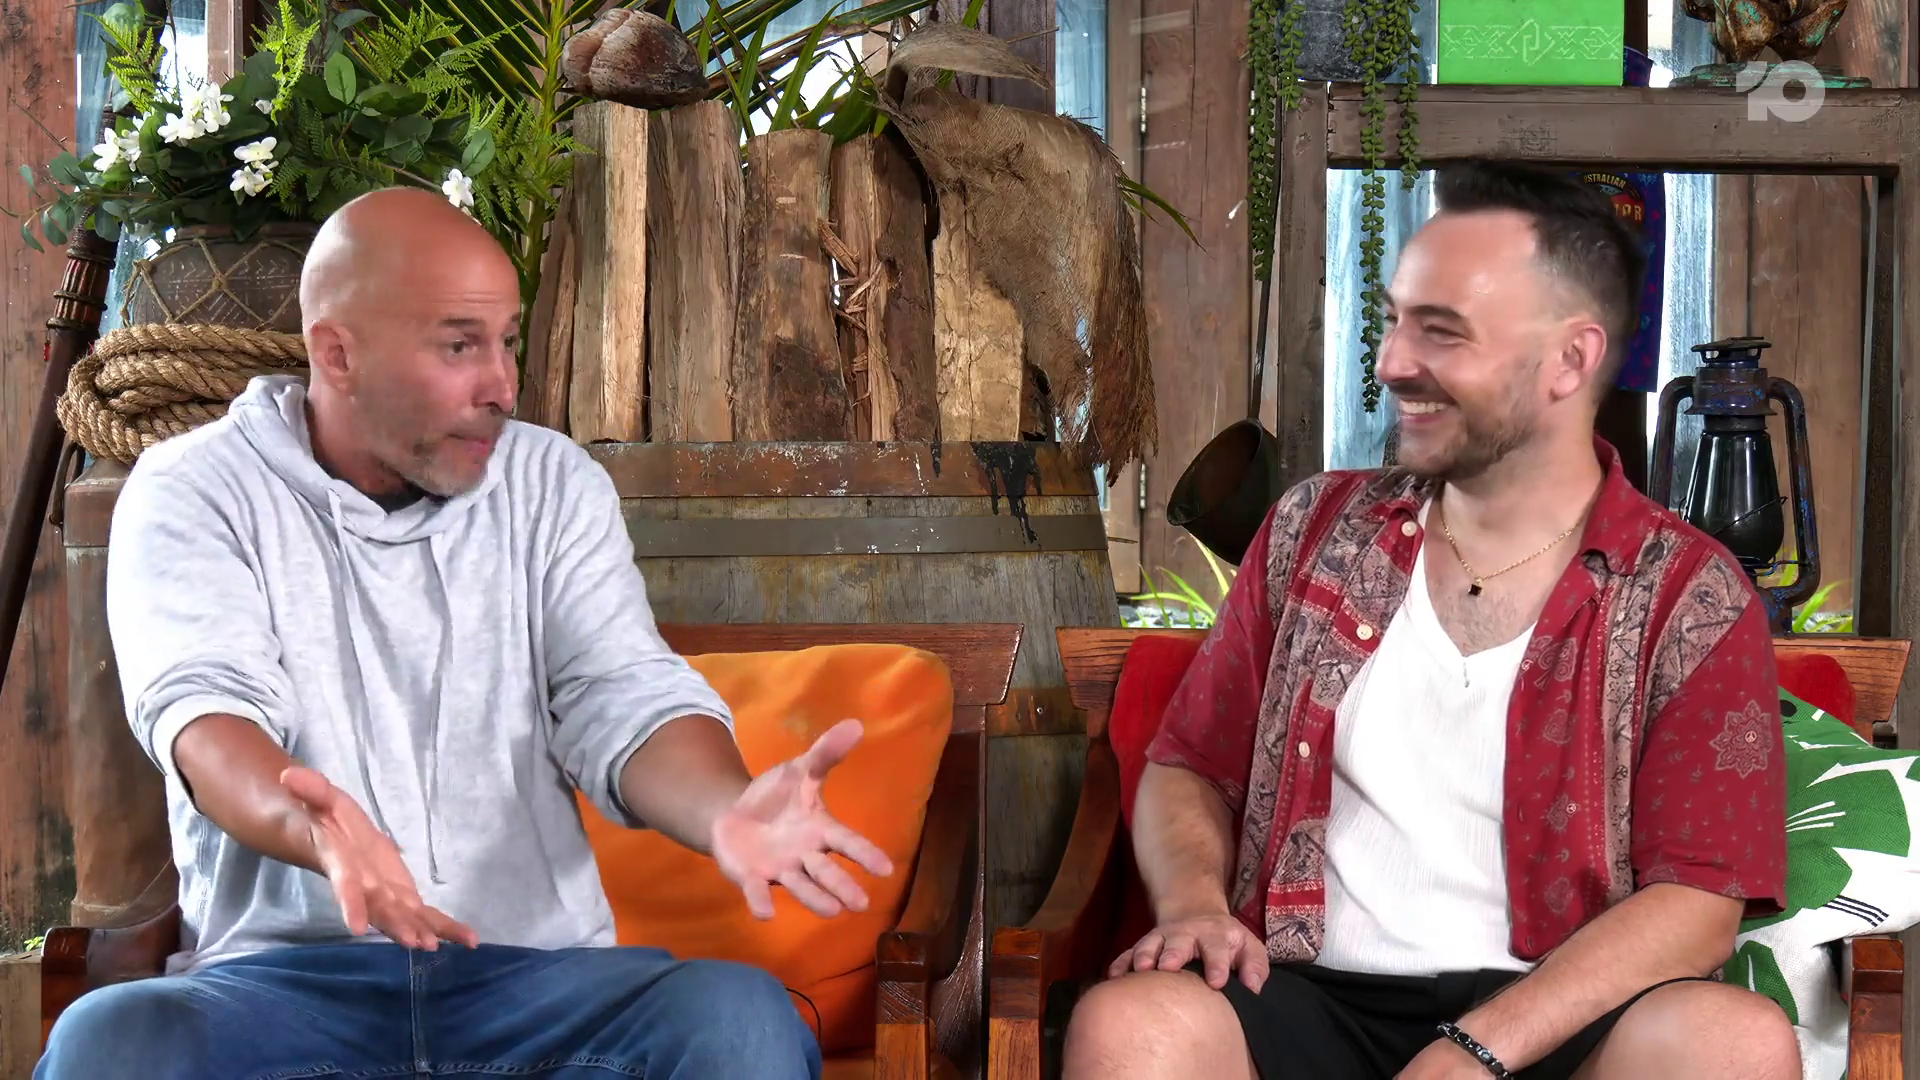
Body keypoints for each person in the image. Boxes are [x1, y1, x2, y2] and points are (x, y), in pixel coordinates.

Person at [36, 187, 892, 1080]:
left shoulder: (553, 483)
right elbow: (204, 715)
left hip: (534, 984)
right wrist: (308, 826)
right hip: (284, 988)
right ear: (337, 353)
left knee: (739, 1021)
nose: (502, 387)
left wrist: (724, 807)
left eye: (506, 341)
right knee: (109, 1041)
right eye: (459, 346)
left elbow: (621, 696)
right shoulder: (192, 488)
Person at [1063, 161, 1798, 1080]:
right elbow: (1189, 767)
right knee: (1129, 1027)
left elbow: (1699, 901)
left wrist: (1477, 1050)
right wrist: (1195, 906)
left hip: (1560, 1016)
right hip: (1310, 994)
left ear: (1570, 360)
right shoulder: (1313, 529)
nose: (1392, 364)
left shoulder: (1691, 594)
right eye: (1398, 322)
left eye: (1443, 333)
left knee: (1735, 1043)